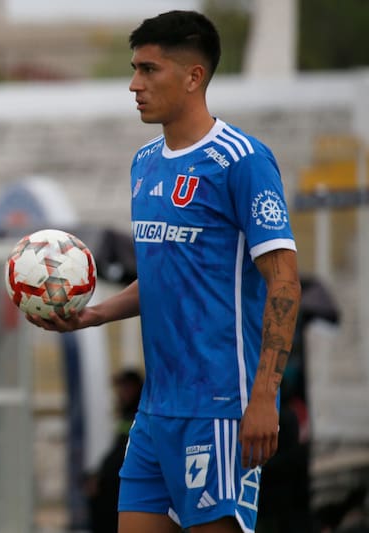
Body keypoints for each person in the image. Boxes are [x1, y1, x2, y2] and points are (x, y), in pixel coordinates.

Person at [28, 10, 301, 533]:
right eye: (134, 69)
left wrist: (265, 397)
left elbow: (284, 282)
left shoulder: (242, 161)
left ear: (193, 76)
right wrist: (94, 315)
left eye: (149, 70)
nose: (134, 84)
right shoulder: (145, 163)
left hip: (220, 408)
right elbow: (163, 275)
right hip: (156, 412)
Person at [86, 369, 143, 533]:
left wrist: (101, 476)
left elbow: (122, 453)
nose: (120, 393)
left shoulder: (137, 416)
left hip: (119, 489)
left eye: (125, 387)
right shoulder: (126, 416)